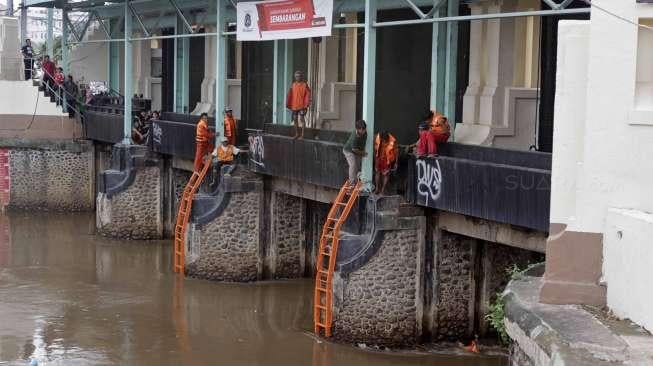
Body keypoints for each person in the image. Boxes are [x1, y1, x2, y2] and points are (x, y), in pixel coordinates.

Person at [285, 70, 311, 139]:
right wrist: (288, 103)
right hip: (294, 106)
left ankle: (302, 135)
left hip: (302, 106)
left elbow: (308, 95)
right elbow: (289, 94)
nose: (297, 78)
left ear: (301, 77)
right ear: (295, 77)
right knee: (295, 119)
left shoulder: (305, 85)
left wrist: (306, 105)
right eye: (296, 76)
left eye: (299, 76)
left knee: (302, 119)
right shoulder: (293, 85)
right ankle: (296, 134)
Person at [342, 119, 367, 184]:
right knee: (353, 165)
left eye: (364, 129)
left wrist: (362, 153)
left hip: (358, 151)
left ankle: (356, 181)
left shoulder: (365, 133)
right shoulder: (354, 137)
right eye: (361, 129)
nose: (363, 130)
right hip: (348, 150)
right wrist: (363, 153)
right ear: (357, 129)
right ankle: (352, 182)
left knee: (358, 166)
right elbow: (354, 150)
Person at [373, 131, 398, 195]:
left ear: (387, 139)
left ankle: (383, 190)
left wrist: (396, 162)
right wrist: (375, 158)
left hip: (387, 160)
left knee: (386, 174)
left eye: (384, 141)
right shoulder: (377, 137)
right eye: (382, 140)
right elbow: (375, 149)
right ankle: (377, 189)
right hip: (378, 158)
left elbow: (396, 152)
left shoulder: (393, 141)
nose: (383, 142)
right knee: (377, 172)